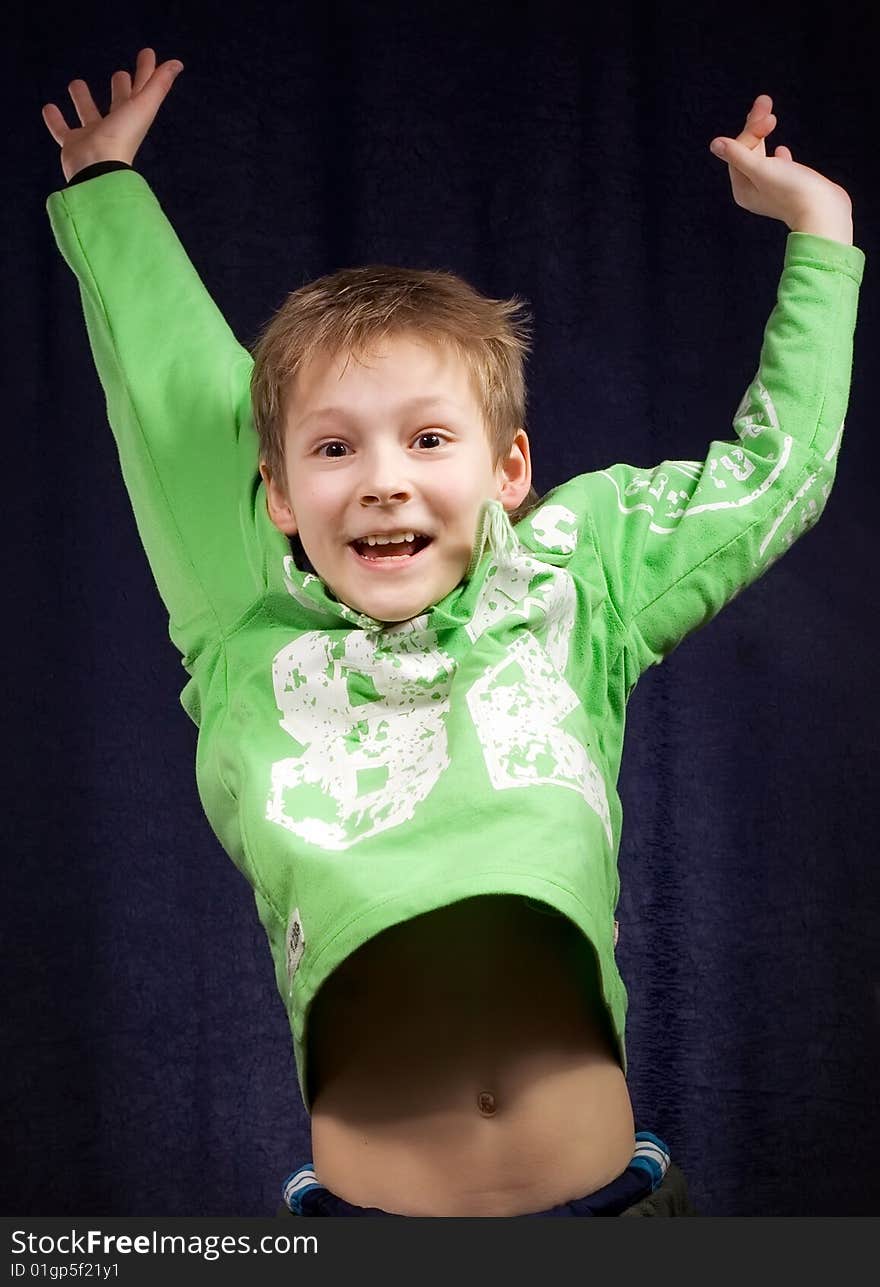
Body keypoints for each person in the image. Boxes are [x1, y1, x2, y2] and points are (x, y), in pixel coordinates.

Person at [41, 49, 862, 1218]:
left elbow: (776, 474)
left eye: (429, 439)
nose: (383, 481)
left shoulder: (576, 585)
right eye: (334, 449)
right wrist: (106, 186)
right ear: (275, 495)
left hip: (614, 1221)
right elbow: (173, 393)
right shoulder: (247, 620)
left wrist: (818, 234)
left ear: (509, 469)